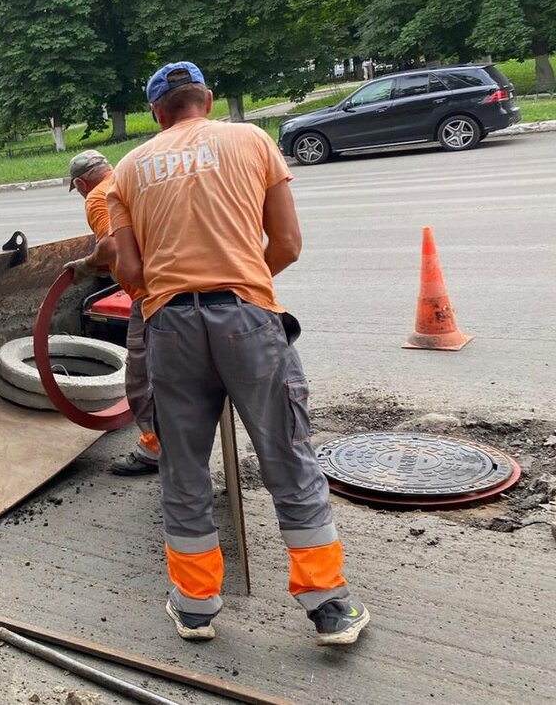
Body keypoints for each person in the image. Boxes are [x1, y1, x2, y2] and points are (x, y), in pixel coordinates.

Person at [107, 61, 369, 647]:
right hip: (247, 319)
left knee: (182, 464)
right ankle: (328, 607)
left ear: (156, 112)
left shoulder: (127, 170)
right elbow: (288, 245)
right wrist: (244, 281)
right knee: (287, 455)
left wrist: (171, 299)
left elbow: (127, 271)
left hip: (169, 327)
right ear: (207, 99)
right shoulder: (250, 139)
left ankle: (195, 606)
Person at [64, 150, 161, 477]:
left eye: (77, 188)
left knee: (139, 381)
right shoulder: (132, 180)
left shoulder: (96, 196)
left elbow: (110, 246)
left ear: (80, 182)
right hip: (171, 281)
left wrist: (89, 264)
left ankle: (154, 450)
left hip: (150, 297)